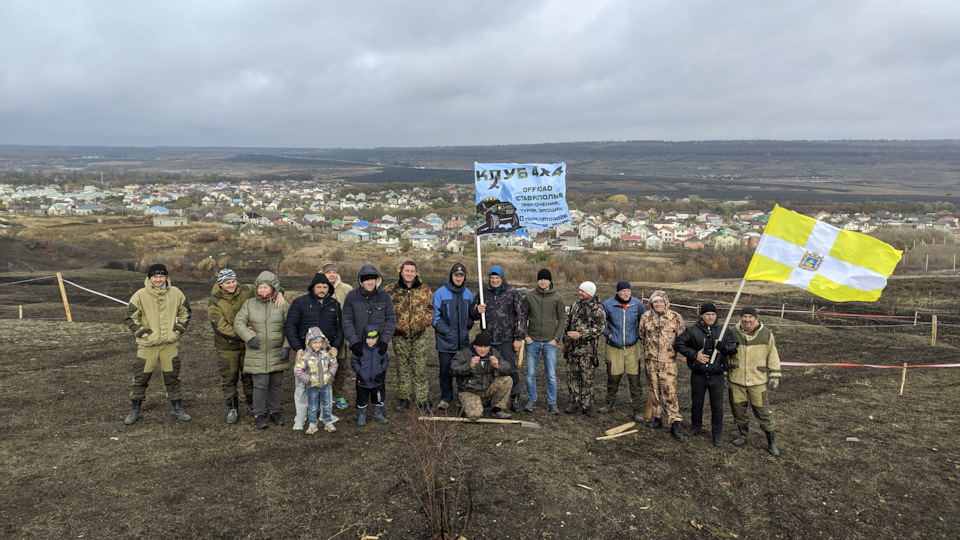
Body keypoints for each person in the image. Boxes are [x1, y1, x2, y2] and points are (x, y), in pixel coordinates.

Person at [208, 268, 286, 424]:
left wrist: (280, 293)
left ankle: (252, 404)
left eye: (233, 281)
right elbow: (220, 326)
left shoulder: (246, 289)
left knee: (249, 376)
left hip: (249, 345)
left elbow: (268, 285)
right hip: (228, 345)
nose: (231, 285)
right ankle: (232, 407)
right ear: (220, 284)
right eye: (227, 283)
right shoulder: (215, 301)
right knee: (230, 377)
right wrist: (245, 334)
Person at [122, 263, 192, 425]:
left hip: (169, 345)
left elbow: (186, 312)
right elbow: (130, 317)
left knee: (172, 377)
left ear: (166, 277)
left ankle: (177, 409)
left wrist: (178, 329)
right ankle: (135, 410)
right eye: (155, 276)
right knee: (141, 378)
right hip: (147, 346)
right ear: (149, 277)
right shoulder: (140, 295)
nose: (158, 280)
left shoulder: (176, 293)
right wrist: (142, 332)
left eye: (161, 276)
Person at [284, 272, 343, 430]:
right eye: (319, 287)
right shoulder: (300, 302)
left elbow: (340, 328)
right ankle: (300, 417)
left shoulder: (334, 304)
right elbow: (290, 326)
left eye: (325, 287)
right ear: (313, 288)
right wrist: (297, 347)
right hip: (305, 352)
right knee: (302, 385)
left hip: (325, 352)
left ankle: (326, 415)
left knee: (326, 384)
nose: (322, 290)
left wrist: (336, 346)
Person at [674, 302, 738, 447]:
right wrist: (694, 355)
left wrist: (724, 346)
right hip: (698, 374)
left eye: (713, 314)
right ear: (702, 315)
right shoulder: (692, 330)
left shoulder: (723, 331)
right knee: (697, 403)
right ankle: (696, 427)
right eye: (707, 314)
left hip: (717, 375)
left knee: (717, 406)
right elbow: (679, 344)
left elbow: (734, 347)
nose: (710, 317)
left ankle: (717, 434)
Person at [234, 271, 291, 429]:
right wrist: (248, 337)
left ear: (273, 288)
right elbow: (238, 322)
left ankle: (274, 411)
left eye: (266, 287)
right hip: (257, 352)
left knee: (275, 385)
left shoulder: (282, 304)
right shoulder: (249, 304)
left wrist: (287, 346)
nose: (262, 290)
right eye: (260, 287)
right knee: (260, 385)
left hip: (277, 351)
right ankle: (259, 414)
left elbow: (291, 327)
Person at [470, 265, 526, 412]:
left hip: (507, 339)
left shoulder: (512, 293)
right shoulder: (483, 293)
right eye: (492, 278)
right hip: (488, 340)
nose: (494, 280)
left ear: (502, 278)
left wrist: (518, 337)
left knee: (510, 369)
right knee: (488, 369)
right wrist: (477, 310)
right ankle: (489, 397)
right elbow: (472, 313)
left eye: (497, 278)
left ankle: (514, 396)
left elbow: (521, 316)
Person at [727, 306, 782, 456]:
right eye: (744, 316)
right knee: (738, 409)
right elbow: (725, 353)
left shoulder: (766, 334)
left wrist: (775, 374)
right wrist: (724, 372)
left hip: (757, 380)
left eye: (750, 317)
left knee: (763, 411)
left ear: (755, 318)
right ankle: (743, 435)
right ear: (740, 317)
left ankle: (771, 442)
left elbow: (772, 354)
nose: (747, 319)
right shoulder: (732, 332)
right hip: (736, 379)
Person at [384, 260, 434, 413]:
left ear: (416, 273)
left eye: (412, 271)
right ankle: (404, 398)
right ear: (401, 271)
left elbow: (430, 309)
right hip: (399, 338)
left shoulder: (424, 289)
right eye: (407, 271)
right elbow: (386, 311)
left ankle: (422, 399)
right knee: (402, 369)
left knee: (420, 370)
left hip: (419, 337)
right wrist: (395, 326)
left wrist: (424, 322)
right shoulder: (390, 290)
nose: (409, 273)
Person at [640, 290, 687, 441]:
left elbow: (682, 338)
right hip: (650, 361)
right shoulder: (646, 317)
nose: (658, 304)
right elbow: (642, 335)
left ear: (666, 302)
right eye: (655, 301)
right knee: (654, 391)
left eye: (661, 301)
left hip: (668, 363)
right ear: (652, 303)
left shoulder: (675, 317)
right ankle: (657, 418)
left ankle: (674, 424)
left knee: (669, 393)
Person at [598, 281, 645, 420]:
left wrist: (637, 335)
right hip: (614, 347)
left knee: (634, 380)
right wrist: (609, 335)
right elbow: (600, 322)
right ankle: (610, 403)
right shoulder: (608, 305)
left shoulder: (637, 304)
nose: (626, 293)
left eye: (628, 290)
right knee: (613, 378)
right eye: (623, 291)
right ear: (618, 292)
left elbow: (644, 322)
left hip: (632, 348)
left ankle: (637, 409)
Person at [432, 262, 474, 411]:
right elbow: (435, 318)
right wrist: (449, 332)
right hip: (445, 343)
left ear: (464, 277)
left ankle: (462, 397)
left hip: (463, 342)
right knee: (445, 371)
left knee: (463, 371)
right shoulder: (440, 293)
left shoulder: (468, 294)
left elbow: (471, 315)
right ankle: (446, 397)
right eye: (456, 275)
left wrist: (467, 326)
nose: (458, 278)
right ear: (451, 276)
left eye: (461, 275)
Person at [523, 268, 565, 414]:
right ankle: (531, 400)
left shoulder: (557, 297)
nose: (543, 282)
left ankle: (552, 402)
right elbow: (522, 317)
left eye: (545, 279)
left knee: (551, 374)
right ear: (537, 280)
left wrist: (556, 338)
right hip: (532, 341)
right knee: (530, 373)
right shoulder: (530, 296)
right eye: (540, 279)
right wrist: (526, 336)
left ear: (550, 281)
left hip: (550, 343)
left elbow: (562, 318)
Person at [561, 281, 606, 418]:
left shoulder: (597, 309)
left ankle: (587, 406)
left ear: (590, 293)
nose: (580, 293)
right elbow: (568, 325)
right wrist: (564, 342)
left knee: (587, 379)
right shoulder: (575, 305)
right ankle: (574, 403)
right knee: (572, 377)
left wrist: (581, 334)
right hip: (572, 350)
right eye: (580, 290)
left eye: (583, 291)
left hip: (587, 352)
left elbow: (599, 329)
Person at [449, 331, 513, 421]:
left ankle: (497, 409)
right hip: (469, 390)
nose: (483, 350)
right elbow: (452, 370)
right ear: (474, 346)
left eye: (486, 347)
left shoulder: (494, 353)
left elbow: (509, 368)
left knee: (507, 380)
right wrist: (469, 366)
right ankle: (464, 403)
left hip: (486, 387)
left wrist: (498, 366)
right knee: (475, 415)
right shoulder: (463, 354)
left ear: (489, 346)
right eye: (480, 347)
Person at [293, 327, 338, 434]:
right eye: (315, 343)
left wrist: (330, 374)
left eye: (319, 342)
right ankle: (313, 424)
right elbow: (298, 370)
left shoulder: (326, 353)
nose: (318, 345)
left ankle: (328, 422)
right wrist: (308, 379)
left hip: (325, 384)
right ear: (309, 343)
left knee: (327, 404)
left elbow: (334, 363)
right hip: (312, 386)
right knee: (312, 406)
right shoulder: (305, 355)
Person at [322, 262, 353, 409]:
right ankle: (323, 395)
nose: (332, 274)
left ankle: (337, 394)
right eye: (329, 272)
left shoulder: (346, 289)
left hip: (341, 334)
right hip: (322, 336)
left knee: (340, 367)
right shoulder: (319, 287)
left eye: (334, 272)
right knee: (322, 367)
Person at [351, 324, 390, 426]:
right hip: (362, 381)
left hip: (376, 381)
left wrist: (381, 369)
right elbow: (354, 361)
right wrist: (359, 371)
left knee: (377, 399)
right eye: (368, 338)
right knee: (362, 399)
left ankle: (377, 414)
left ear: (377, 338)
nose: (371, 341)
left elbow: (385, 359)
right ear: (364, 338)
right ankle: (362, 415)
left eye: (373, 339)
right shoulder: (360, 349)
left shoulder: (380, 350)